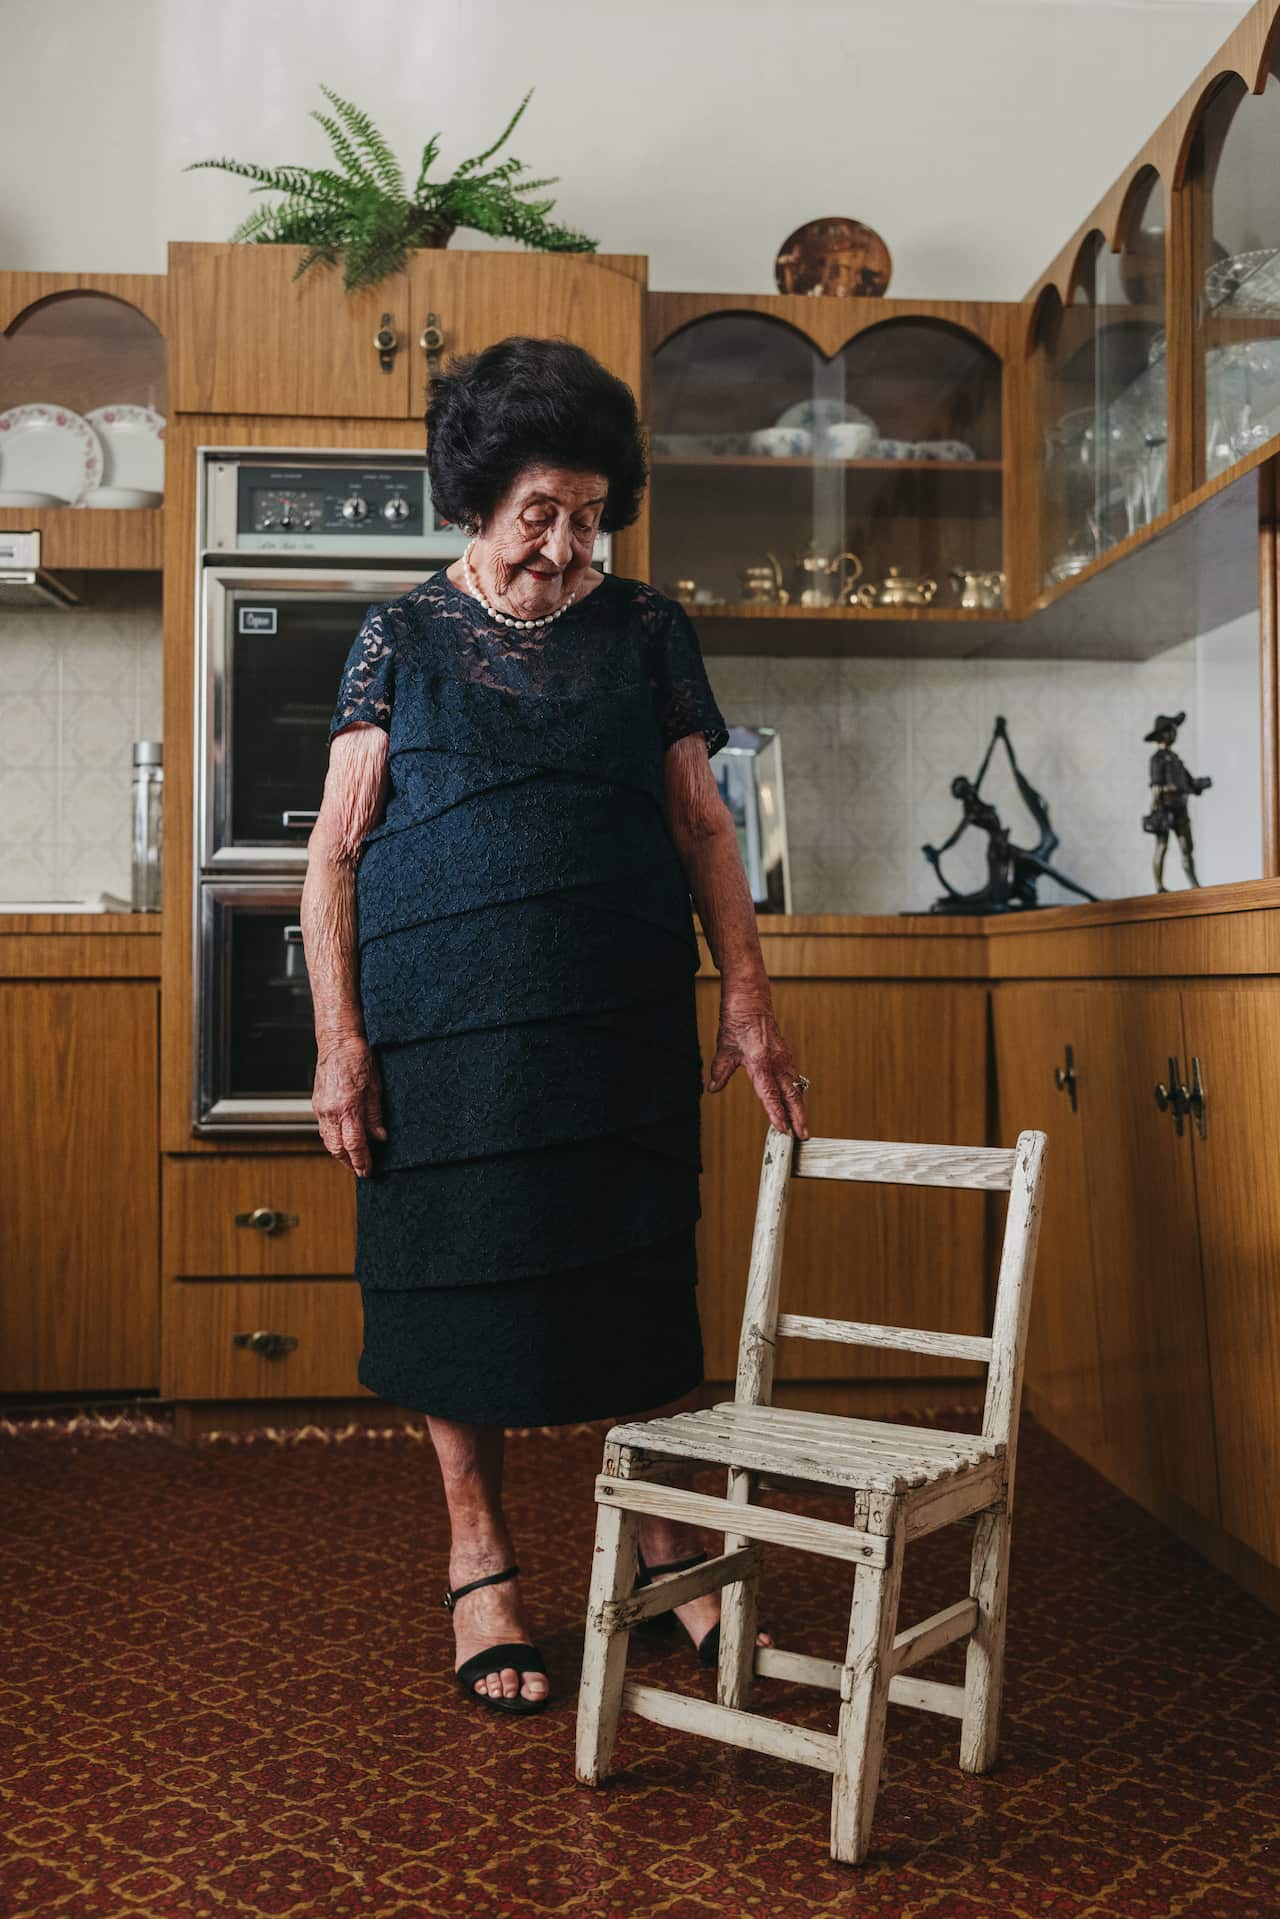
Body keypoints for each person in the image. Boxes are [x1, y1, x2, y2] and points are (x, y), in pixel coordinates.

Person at [301, 335, 809, 1718]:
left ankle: (663, 1538)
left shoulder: (646, 628)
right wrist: (340, 1041)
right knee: (454, 1277)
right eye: (542, 511)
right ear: (479, 503)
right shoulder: (404, 634)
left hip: (616, 1015)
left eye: (591, 512)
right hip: (440, 1028)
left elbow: (706, 821)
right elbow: (335, 851)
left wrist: (749, 997)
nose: (569, 541)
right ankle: (484, 1561)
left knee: (633, 1269)